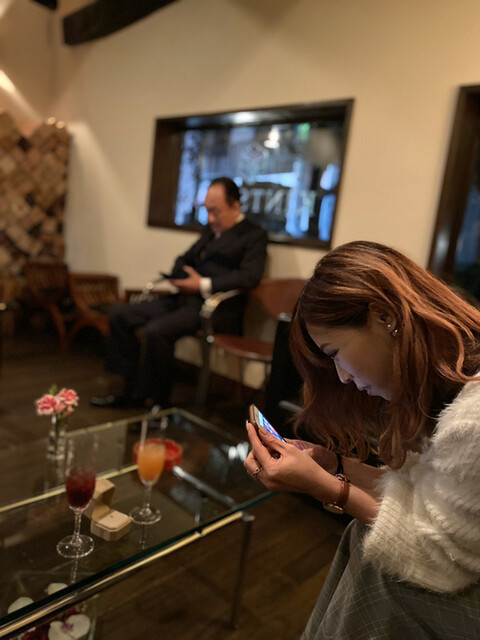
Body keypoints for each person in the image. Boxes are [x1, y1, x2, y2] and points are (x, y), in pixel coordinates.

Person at [244, 240, 480, 639]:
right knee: (367, 535)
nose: (342, 376)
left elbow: (440, 559)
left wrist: (327, 488)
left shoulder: (473, 418)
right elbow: (429, 497)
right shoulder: (458, 384)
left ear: (385, 316)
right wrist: (333, 464)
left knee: (383, 572)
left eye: (335, 352)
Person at [92, 177, 268, 409]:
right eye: (207, 211)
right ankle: (129, 390)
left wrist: (202, 284)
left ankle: (158, 402)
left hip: (215, 309)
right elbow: (185, 257)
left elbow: (250, 276)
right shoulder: (211, 231)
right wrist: (179, 275)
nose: (210, 218)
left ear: (235, 206)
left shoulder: (254, 235)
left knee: (157, 331)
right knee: (122, 316)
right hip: (185, 299)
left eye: (215, 211)